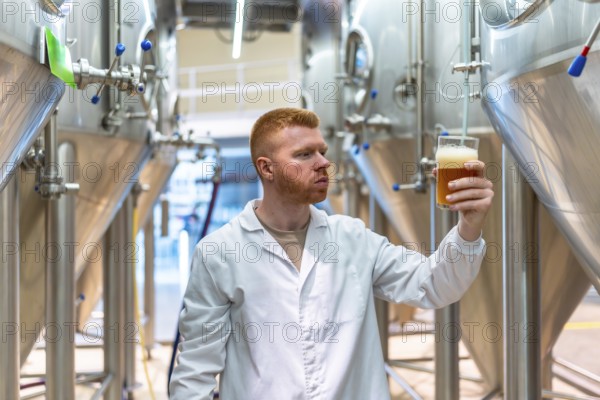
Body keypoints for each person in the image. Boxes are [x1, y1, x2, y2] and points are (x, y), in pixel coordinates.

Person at [169, 108, 494, 399]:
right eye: (305, 154)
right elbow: (195, 368)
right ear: (267, 168)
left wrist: (469, 227)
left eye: (322, 152)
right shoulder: (219, 252)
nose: (324, 162)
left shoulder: (352, 238)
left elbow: (434, 285)